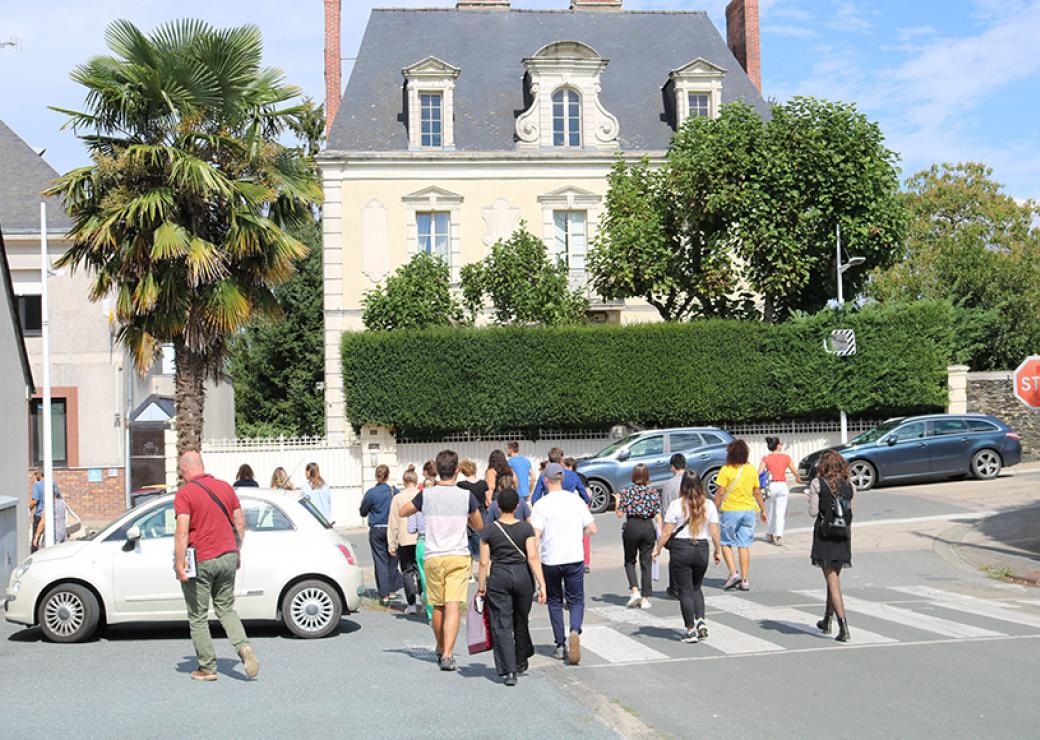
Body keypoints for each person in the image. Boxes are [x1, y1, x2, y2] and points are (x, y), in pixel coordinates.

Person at [173, 452, 259, 681]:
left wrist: (180, 564)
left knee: (198, 615)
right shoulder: (225, 488)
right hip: (228, 555)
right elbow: (240, 523)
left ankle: (208, 668)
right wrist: (236, 550)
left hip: (200, 559)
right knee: (226, 608)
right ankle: (244, 648)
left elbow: (182, 531)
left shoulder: (184, 494)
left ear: (184, 470)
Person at [399, 450, 484, 672]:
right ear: (456, 471)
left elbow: (403, 510)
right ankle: (448, 654)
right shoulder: (466, 496)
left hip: (433, 555)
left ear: (437, 470)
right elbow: (478, 525)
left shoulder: (426, 495)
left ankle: (439, 645)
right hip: (458, 554)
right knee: (453, 604)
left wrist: (420, 496)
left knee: (437, 604)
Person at [477, 488, 547, 686]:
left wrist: (481, 587)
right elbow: (533, 556)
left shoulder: (488, 531)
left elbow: (483, 563)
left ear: (497, 506)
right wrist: (542, 584)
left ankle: (509, 671)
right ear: (518, 506)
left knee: (502, 622)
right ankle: (521, 657)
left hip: (499, 576)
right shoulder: (526, 528)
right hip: (523, 576)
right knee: (521, 618)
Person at [531, 462, 597, 666]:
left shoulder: (541, 505)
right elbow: (592, 528)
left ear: (545, 480)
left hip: (550, 558)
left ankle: (560, 644)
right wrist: (578, 535)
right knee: (576, 599)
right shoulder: (575, 501)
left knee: (554, 601)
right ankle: (575, 630)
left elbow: (535, 536)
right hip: (573, 556)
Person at [653, 470, 721, 643]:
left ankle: (690, 629)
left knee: (685, 590)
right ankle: (701, 621)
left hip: (681, 548)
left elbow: (667, 531)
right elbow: (714, 531)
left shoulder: (677, 504)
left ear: (683, 485)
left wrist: (658, 548)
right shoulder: (709, 504)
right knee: (697, 587)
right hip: (702, 548)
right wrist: (717, 550)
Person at [809, 450, 855, 643]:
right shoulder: (850, 485)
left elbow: (813, 512)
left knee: (832, 580)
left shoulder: (818, 483)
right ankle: (827, 620)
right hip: (843, 535)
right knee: (833, 578)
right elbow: (851, 510)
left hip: (825, 534)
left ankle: (843, 626)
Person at [714, 439, 766, 592]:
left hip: (731, 510)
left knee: (725, 542)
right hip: (749, 510)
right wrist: (763, 510)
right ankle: (744, 579)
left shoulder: (726, 470)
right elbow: (757, 491)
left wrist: (712, 507)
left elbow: (720, 492)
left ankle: (733, 572)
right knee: (744, 545)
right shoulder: (751, 470)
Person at [613, 464, 661, 609]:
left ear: (633, 475)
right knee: (646, 562)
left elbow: (619, 514)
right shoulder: (653, 492)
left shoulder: (627, 492)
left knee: (629, 560)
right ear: (647, 476)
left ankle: (635, 591)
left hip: (632, 525)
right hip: (647, 526)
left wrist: (617, 501)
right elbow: (658, 515)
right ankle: (646, 597)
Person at [359, 464, 402, 604]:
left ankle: (384, 594)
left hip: (377, 528)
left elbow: (363, 511)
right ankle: (392, 590)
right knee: (393, 560)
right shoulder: (394, 491)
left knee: (380, 561)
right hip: (393, 528)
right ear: (388, 476)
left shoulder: (371, 493)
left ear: (376, 476)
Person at [388, 465, 423, 615]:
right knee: (421, 570)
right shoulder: (423, 494)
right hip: (421, 539)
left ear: (403, 481)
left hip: (404, 539)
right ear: (417, 481)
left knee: (407, 571)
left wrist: (392, 543)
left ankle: (411, 604)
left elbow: (393, 522)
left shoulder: (398, 498)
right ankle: (423, 596)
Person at [759, 436, 801, 545]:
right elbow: (794, 471)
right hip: (782, 486)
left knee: (770, 511)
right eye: (781, 443)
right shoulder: (786, 457)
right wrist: (798, 478)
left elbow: (759, 472)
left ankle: (769, 534)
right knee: (780, 513)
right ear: (777, 445)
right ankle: (779, 536)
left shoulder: (766, 458)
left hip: (771, 486)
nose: (782, 445)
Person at [457, 459, 490, 580]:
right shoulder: (483, 483)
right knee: (484, 542)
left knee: (468, 543)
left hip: (467, 514)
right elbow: (488, 501)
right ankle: (485, 571)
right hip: (481, 512)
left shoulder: (461, 485)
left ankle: (469, 573)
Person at [659, 454, 686, 596]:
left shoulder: (668, 484)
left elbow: (664, 508)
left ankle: (674, 588)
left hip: (674, 526)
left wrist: (664, 529)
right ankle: (686, 587)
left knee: (675, 559)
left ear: (672, 467)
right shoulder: (693, 481)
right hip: (690, 524)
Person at [564, 457, 593, 574]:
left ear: (570, 467)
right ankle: (585, 562)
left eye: (565, 466)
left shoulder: (566, 477)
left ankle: (571, 560)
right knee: (585, 537)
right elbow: (588, 493)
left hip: (571, 508)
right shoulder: (582, 477)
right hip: (583, 507)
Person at [29, 470, 59, 553]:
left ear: (39, 474)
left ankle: (34, 558)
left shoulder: (37, 485)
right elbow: (58, 497)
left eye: (35, 474)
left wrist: (28, 509)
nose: (35, 477)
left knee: (36, 539)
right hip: (52, 514)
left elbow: (34, 501)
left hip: (40, 515)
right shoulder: (53, 483)